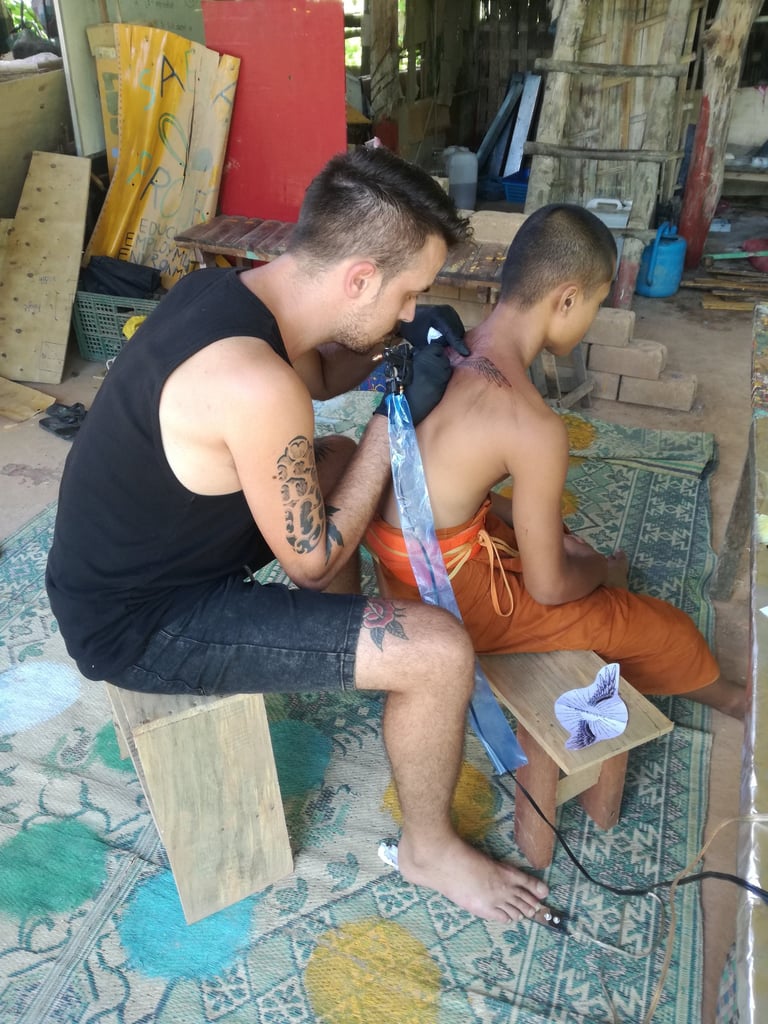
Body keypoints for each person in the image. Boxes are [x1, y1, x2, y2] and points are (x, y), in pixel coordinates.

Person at [46, 146, 549, 923]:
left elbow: (320, 374)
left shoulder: (230, 292)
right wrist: (392, 413)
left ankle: (339, 651)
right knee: (439, 651)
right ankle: (429, 849)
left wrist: (392, 350)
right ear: (359, 278)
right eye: (408, 294)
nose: (411, 311)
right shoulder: (253, 385)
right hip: (140, 620)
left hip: (147, 548)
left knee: (335, 459)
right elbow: (312, 564)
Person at [365, 203, 745, 719]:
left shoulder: (452, 346)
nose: (592, 319)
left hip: (397, 561)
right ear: (567, 300)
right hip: (443, 598)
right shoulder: (533, 425)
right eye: (597, 304)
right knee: (661, 628)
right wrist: (598, 570)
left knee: (545, 531)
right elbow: (547, 589)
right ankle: (735, 699)